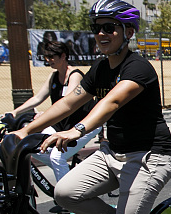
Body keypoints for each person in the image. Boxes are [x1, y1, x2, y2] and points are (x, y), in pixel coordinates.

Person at [10, 0, 171, 214]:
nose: (101, 33)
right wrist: (25, 129)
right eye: (97, 28)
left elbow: (112, 101)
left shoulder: (138, 68)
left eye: (109, 27)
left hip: (149, 156)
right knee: (65, 193)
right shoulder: (100, 68)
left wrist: (78, 129)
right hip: (112, 153)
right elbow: (69, 102)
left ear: (128, 32)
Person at [5, 40, 100, 198]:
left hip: (83, 124)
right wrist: (15, 112)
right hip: (61, 124)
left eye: (51, 56)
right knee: (29, 146)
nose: (48, 60)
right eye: (46, 56)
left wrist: (44, 115)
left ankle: (68, 198)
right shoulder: (54, 76)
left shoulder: (75, 75)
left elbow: (67, 104)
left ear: (63, 56)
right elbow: (38, 98)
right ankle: (69, 176)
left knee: (57, 156)